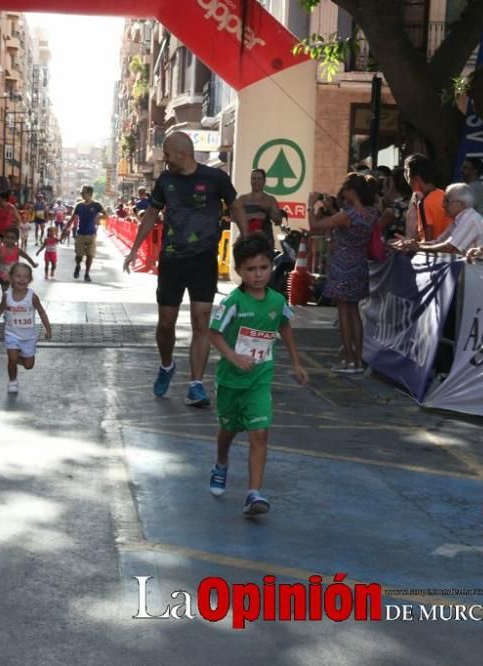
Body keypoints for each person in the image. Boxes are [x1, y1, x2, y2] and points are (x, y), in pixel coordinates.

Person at [123, 131, 248, 406]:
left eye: (167, 154)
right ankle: (167, 365)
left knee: (201, 320)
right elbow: (152, 214)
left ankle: (196, 384)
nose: (165, 159)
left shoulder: (215, 178)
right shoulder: (165, 181)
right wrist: (134, 250)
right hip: (171, 260)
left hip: (203, 259)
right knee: (166, 323)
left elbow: (236, 206)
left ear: (182, 153)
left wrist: (246, 236)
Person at [207, 233, 308, 515]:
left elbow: (285, 326)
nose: (259, 274)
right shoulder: (233, 303)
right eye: (251, 269)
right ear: (239, 271)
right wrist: (234, 357)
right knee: (227, 431)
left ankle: (254, 493)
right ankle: (221, 463)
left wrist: (297, 363)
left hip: (259, 380)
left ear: (271, 267)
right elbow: (213, 334)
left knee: (259, 433)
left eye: (264, 267)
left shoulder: (276, 301)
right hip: (230, 380)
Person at [307, 173, 378, 373]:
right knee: (355, 312)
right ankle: (358, 359)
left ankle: (348, 360)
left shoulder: (348, 215)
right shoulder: (371, 213)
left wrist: (310, 205)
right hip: (360, 263)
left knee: (343, 312)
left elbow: (316, 226)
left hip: (342, 264)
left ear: (352, 191)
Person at [0, 262, 52, 394]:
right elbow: (0, 309)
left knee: (29, 365)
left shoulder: (32, 297)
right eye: (18, 276)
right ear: (10, 278)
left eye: (25, 277)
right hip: (12, 334)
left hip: (28, 337)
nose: (22, 279)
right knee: (12, 358)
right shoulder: (7, 296)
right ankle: (13, 381)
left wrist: (48, 328)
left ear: (30, 280)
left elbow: (42, 312)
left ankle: (17, 358)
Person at [391, 183, 483, 255]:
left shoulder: (471, 218)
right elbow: (438, 242)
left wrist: (418, 248)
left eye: (447, 201)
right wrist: (410, 244)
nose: (443, 205)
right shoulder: (459, 219)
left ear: (460, 204)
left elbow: (448, 248)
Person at [403, 154, 450, 241]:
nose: (405, 177)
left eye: (407, 173)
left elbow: (428, 240)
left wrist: (408, 244)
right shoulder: (443, 195)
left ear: (416, 179)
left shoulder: (424, 202)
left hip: (434, 252)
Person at [236, 168, 284, 249]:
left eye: (259, 179)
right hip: (246, 238)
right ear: (250, 180)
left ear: (264, 181)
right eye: (253, 178)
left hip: (264, 239)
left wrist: (268, 210)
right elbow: (234, 217)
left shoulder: (270, 199)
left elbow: (278, 221)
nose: (256, 181)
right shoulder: (242, 199)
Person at [70, 185, 106, 282]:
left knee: (90, 255)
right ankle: (78, 266)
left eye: (83, 192)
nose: (81, 194)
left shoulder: (96, 205)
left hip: (92, 235)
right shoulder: (79, 205)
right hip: (81, 234)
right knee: (79, 256)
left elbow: (105, 215)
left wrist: (98, 217)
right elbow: (72, 218)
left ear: (89, 193)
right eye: (81, 193)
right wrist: (64, 231)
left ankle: (87, 273)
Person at [0, 227, 37, 291]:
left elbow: (27, 257)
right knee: (5, 292)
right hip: (4, 274)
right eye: (7, 237)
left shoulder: (17, 250)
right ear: (4, 238)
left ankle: (13, 300)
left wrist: (33, 264)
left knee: (14, 290)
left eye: (12, 238)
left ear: (16, 239)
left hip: (15, 275)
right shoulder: (1, 249)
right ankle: (5, 300)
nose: (9, 240)